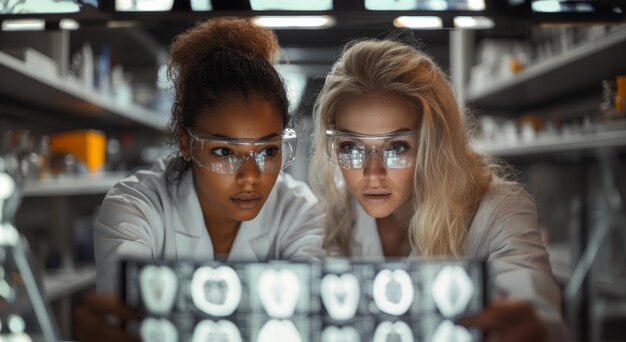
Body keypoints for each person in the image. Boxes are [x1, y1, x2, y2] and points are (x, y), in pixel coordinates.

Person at [75, 18, 324, 341]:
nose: (250, 177)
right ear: (186, 143)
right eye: (223, 151)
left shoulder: (299, 210)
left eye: (267, 151)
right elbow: (129, 315)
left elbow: (308, 322)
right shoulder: (135, 206)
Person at [309, 38, 567, 341]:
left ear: (433, 145)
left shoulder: (499, 211)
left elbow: (535, 315)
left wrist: (532, 328)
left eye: (397, 147)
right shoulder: (334, 213)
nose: (372, 173)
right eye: (352, 146)